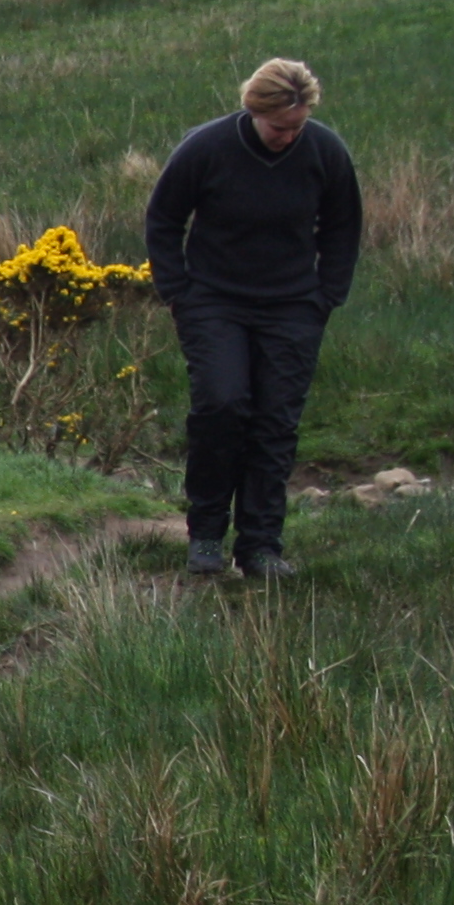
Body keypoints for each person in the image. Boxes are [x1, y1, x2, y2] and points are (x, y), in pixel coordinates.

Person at [144, 58, 360, 579]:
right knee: (222, 405)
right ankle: (206, 535)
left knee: (275, 421)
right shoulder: (206, 147)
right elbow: (164, 218)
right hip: (213, 302)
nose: (288, 137)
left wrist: (326, 296)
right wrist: (177, 292)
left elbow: (342, 226)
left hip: (294, 307)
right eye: (279, 127)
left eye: (298, 126)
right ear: (254, 111)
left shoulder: (326, 151)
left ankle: (261, 546)